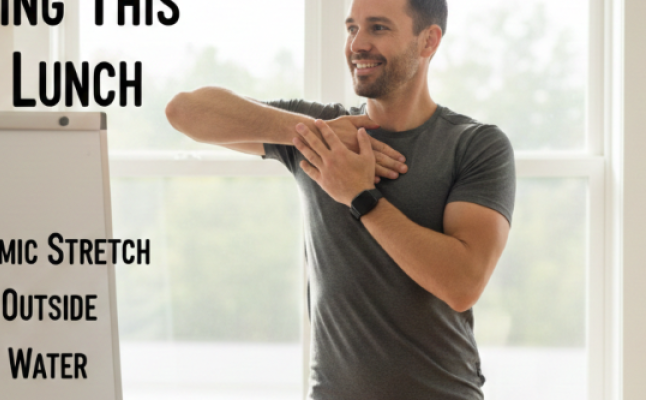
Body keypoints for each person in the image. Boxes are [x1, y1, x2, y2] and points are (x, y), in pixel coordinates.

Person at [165, 0, 515, 398]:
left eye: (378, 28)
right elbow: (184, 111)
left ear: (428, 41)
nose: (357, 44)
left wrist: (361, 197)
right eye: (352, 29)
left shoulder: (475, 145)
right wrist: (318, 133)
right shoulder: (316, 131)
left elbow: (462, 283)